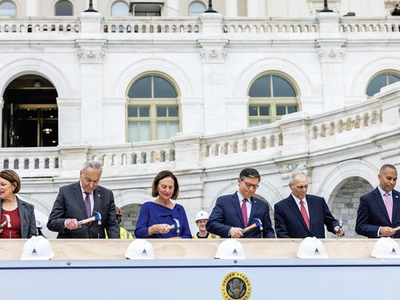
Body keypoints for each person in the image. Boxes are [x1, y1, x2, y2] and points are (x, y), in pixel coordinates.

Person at [47, 160, 119, 238]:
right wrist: (66, 222)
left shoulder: (107, 195)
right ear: (81, 174)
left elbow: (112, 225)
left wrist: (115, 245)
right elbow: (52, 222)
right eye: (88, 180)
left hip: (96, 247)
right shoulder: (65, 192)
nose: (91, 185)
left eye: (95, 181)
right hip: (70, 246)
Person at [206, 168, 275, 238]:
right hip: (231, 246)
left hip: (254, 247)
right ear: (239, 181)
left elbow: (268, 231)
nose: (251, 189)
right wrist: (229, 230)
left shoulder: (262, 206)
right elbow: (211, 224)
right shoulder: (224, 202)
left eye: (254, 186)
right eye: (248, 185)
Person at [274, 170, 344, 238]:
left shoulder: (319, 202)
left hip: (318, 247)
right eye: (300, 187)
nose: (304, 190)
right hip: (297, 248)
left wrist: (336, 227)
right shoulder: (281, 207)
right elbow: (282, 234)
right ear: (290, 186)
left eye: (306, 186)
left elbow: (330, 221)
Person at [135, 170, 192, 238]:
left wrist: (179, 239)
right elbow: (139, 233)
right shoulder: (147, 207)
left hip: (174, 248)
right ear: (156, 187)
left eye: (170, 187)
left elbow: (187, 235)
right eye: (164, 187)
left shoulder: (179, 209)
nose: (167, 190)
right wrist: (154, 229)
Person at [355, 164, 400, 238]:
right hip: (378, 246)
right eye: (389, 178)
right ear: (379, 177)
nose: (392, 182)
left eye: (395, 179)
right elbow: (360, 227)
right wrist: (380, 230)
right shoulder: (367, 199)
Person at [0, 170, 36, 238]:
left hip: (21, 247)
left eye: (3, 184)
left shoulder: (28, 208)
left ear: (14, 185)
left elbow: (32, 235)